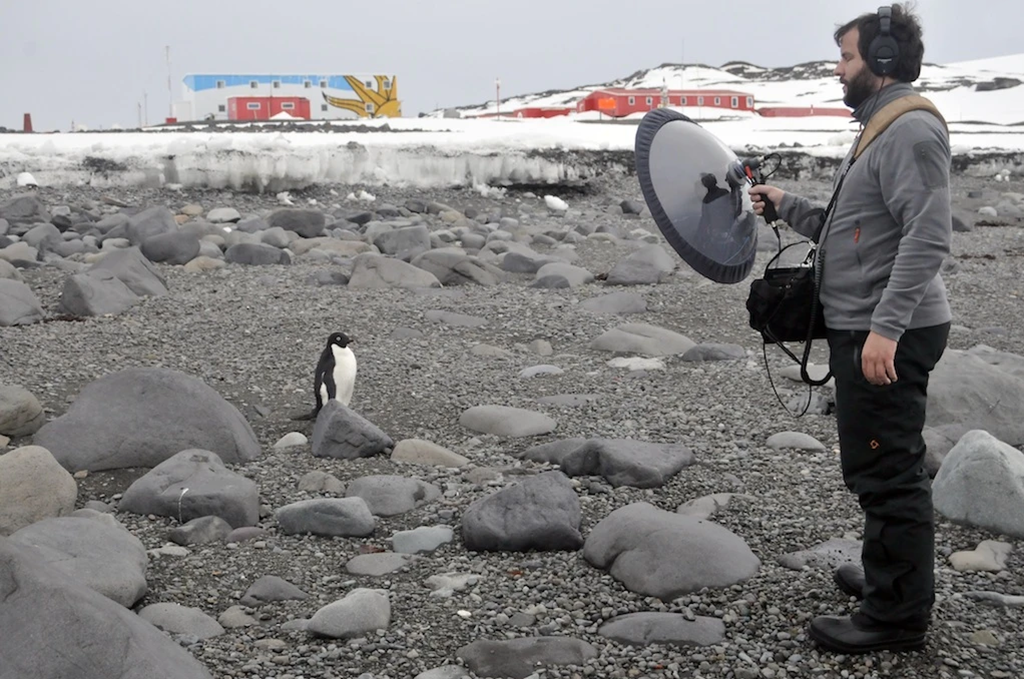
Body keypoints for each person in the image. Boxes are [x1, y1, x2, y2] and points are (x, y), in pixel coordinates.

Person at [749, 4, 952, 654]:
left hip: (886, 330)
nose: (839, 70)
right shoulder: (880, 129)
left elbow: (928, 236)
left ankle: (896, 616)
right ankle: (887, 576)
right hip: (869, 325)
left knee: (888, 468)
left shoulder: (911, 132)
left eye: (847, 57)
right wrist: (788, 206)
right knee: (874, 462)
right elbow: (856, 228)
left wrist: (886, 331)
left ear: (884, 61)